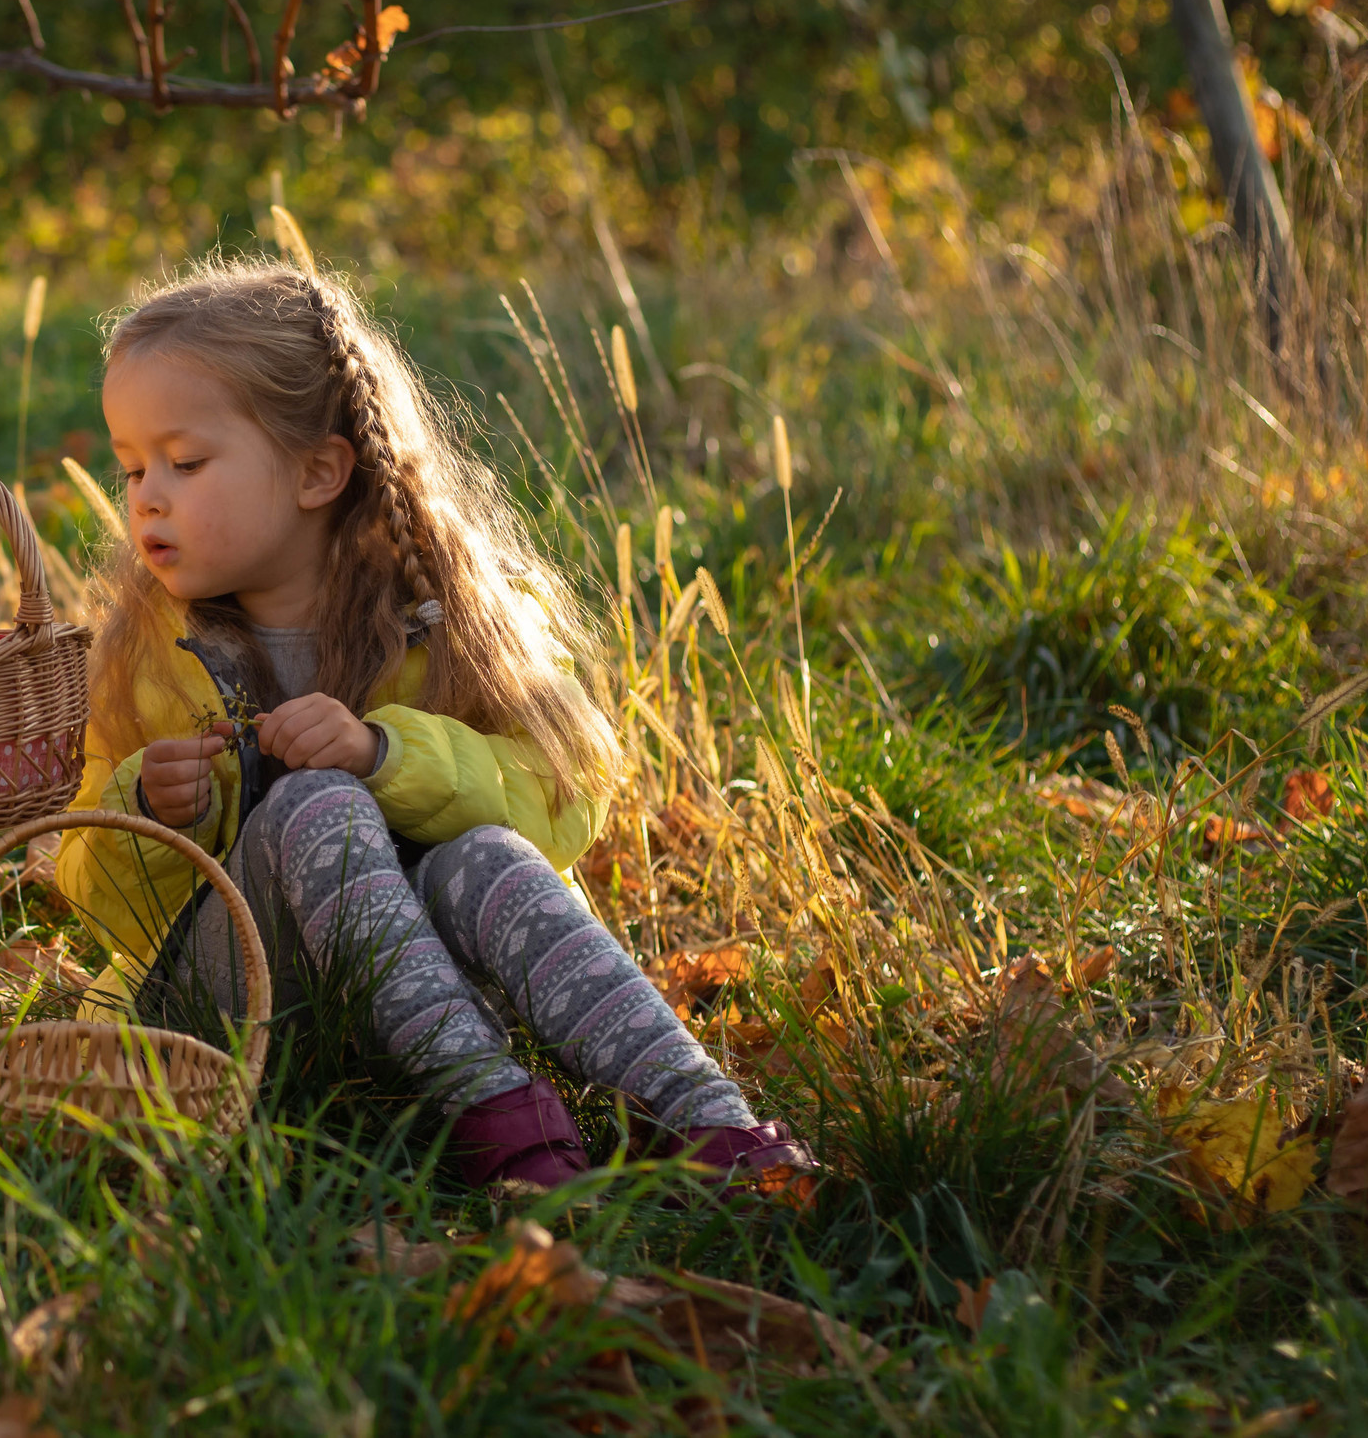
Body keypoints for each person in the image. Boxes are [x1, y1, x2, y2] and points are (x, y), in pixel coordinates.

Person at [56, 258, 811, 1191]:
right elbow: (95, 891)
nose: (145, 496)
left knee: (485, 857)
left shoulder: (444, 612)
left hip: (449, 980)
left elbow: (563, 794)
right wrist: (147, 814)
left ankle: (709, 1118)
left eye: (186, 461)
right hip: (234, 1009)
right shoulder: (144, 655)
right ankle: (491, 1107)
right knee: (313, 808)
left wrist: (386, 753)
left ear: (319, 471)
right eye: (132, 467)